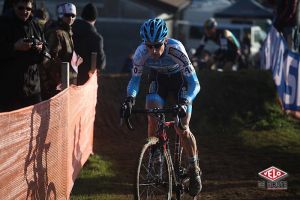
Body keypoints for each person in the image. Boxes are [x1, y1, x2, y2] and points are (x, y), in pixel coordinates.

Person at [121, 18, 202, 197]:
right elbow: (135, 80)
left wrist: (186, 101)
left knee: (182, 127)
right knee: (152, 112)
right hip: (159, 79)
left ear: (165, 40)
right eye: (149, 46)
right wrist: (129, 99)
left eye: (157, 45)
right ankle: (155, 153)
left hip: (180, 80)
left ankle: (193, 167)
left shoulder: (176, 49)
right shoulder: (141, 52)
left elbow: (195, 83)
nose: (154, 51)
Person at [0, 0, 49, 112]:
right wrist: (15, 47)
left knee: (35, 126)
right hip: (9, 91)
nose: (25, 12)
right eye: (21, 8)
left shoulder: (35, 24)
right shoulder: (3, 24)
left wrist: (40, 48)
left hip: (33, 90)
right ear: (14, 6)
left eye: (28, 9)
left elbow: (47, 51)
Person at [42, 3, 82, 99]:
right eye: (67, 15)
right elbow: (49, 58)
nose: (71, 18)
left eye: (73, 15)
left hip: (64, 82)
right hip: (56, 85)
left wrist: (75, 61)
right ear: (61, 15)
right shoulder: (57, 33)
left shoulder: (67, 32)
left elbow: (64, 56)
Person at [72, 3, 106, 85]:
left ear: (82, 15)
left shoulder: (70, 30)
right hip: (84, 81)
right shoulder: (96, 38)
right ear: (95, 18)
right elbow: (100, 63)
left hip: (68, 77)